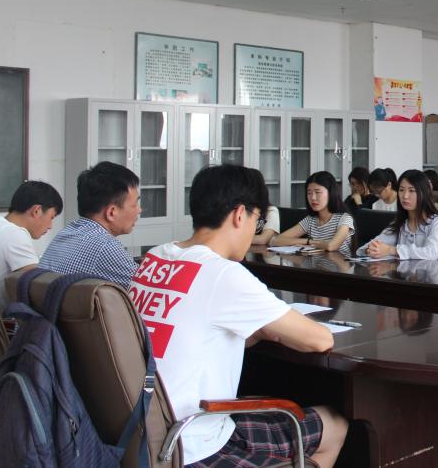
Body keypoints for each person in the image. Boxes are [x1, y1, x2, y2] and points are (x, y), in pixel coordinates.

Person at [128, 165, 347, 467]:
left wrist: (256, 330)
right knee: (334, 424)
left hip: (143, 437)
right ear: (240, 214)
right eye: (257, 220)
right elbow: (319, 340)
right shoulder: (223, 274)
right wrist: (270, 328)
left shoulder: (155, 257)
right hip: (193, 444)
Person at [39, 161, 141, 287]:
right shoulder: (105, 246)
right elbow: (152, 290)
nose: (139, 210)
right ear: (111, 212)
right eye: (135, 204)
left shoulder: (66, 232)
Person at [0, 181, 62, 312]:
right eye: (51, 217)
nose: (50, 226)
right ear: (36, 211)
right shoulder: (14, 233)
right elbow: (37, 284)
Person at [358, 169, 438, 262]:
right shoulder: (401, 222)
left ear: (424, 193)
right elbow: (374, 244)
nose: (405, 196)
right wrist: (371, 249)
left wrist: (392, 250)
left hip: (436, 271)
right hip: (406, 271)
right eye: (401, 190)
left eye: (411, 190)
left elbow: (431, 253)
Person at [275, 171, 355, 255]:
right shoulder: (311, 220)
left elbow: (331, 246)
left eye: (317, 192)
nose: (312, 198)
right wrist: (309, 241)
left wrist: (312, 244)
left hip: (339, 263)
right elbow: (276, 240)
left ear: (331, 193)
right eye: (309, 193)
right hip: (316, 263)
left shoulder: (344, 219)